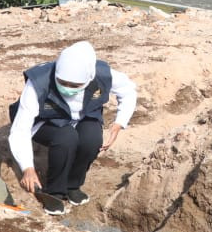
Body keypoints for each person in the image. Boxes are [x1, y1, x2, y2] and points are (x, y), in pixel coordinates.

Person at [8, 41, 137, 216]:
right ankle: (55, 192)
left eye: (74, 85)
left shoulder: (102, 74)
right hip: (46, 121)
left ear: (89, 77)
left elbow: (128, 91)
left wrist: (118, 124)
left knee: (91, 139)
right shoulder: (39, 81)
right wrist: (27, 168)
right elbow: (20, 129)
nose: (67, 88)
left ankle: (73, 185)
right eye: (62, 82)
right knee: (66, 137)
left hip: (83, 115)